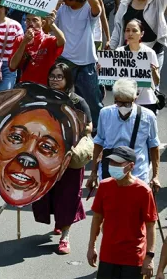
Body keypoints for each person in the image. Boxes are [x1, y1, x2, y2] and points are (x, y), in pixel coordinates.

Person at [31, 64, 91, 255]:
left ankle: (65, 236)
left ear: (67, 80)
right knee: (48, 192)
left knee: (69, 195)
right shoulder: (42, 99)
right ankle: (59, 221)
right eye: (52, 76)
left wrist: (70, 128)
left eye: (59, 77)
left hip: (69, 156)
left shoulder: (77, 101)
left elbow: (89, 126)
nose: (55, 80)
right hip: (46, 155)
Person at [87, 146, 157, 279]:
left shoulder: (144, 191)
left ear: (131, 166)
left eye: (118, 163)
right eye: (112, 162)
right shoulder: (104, 186)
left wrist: (149, 257)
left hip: (133, 257)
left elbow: (150, 225)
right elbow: (97, 218)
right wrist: (91, 246)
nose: (112, 166)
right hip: (108, 255)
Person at [87, 78, 160, 191]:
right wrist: (93, 173)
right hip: (110, 173)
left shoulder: (148, 116)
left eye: (127, 103)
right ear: (115, 99)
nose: (123, 107)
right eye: (120, 102)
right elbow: (99, 143)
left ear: (135, 98)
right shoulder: (105, 113)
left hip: (137, 174)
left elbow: (154, 147)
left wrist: (155, 176)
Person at [55, 0, 103, 130]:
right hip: (64, 60)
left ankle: (98, 129)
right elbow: (48, 26)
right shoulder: (62, 9)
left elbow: (98, 10)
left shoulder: (88, 8)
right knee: (62, 98)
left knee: (92, 99)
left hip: (86, 63)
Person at [110, 0, 167, 69]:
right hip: (129, 53)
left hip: (152, 53)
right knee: (127, 82)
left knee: (149, 83)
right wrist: (112, 48)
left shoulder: (158, 0)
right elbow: (118, 28)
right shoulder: (126, 2)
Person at [117, 19, 161, 115]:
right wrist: (101, 70)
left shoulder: (149, 53)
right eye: (127, 30)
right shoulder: (119, 52)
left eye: (134, 30)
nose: (130, 33)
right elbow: (112, 80)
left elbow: (157, 82)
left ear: (142, 34)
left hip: (146, 101)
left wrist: (153, 71)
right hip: (124, 101)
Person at [9, 12, 65, 86]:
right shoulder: (20, 40)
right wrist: (24, 43)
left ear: (43, 23)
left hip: (45, 86)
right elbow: (12, 66)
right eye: (28, 20)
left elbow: (62, 40)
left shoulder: (49, 40)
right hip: (26, 86)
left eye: (35, 20)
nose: (31, 23)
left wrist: (52, 24)